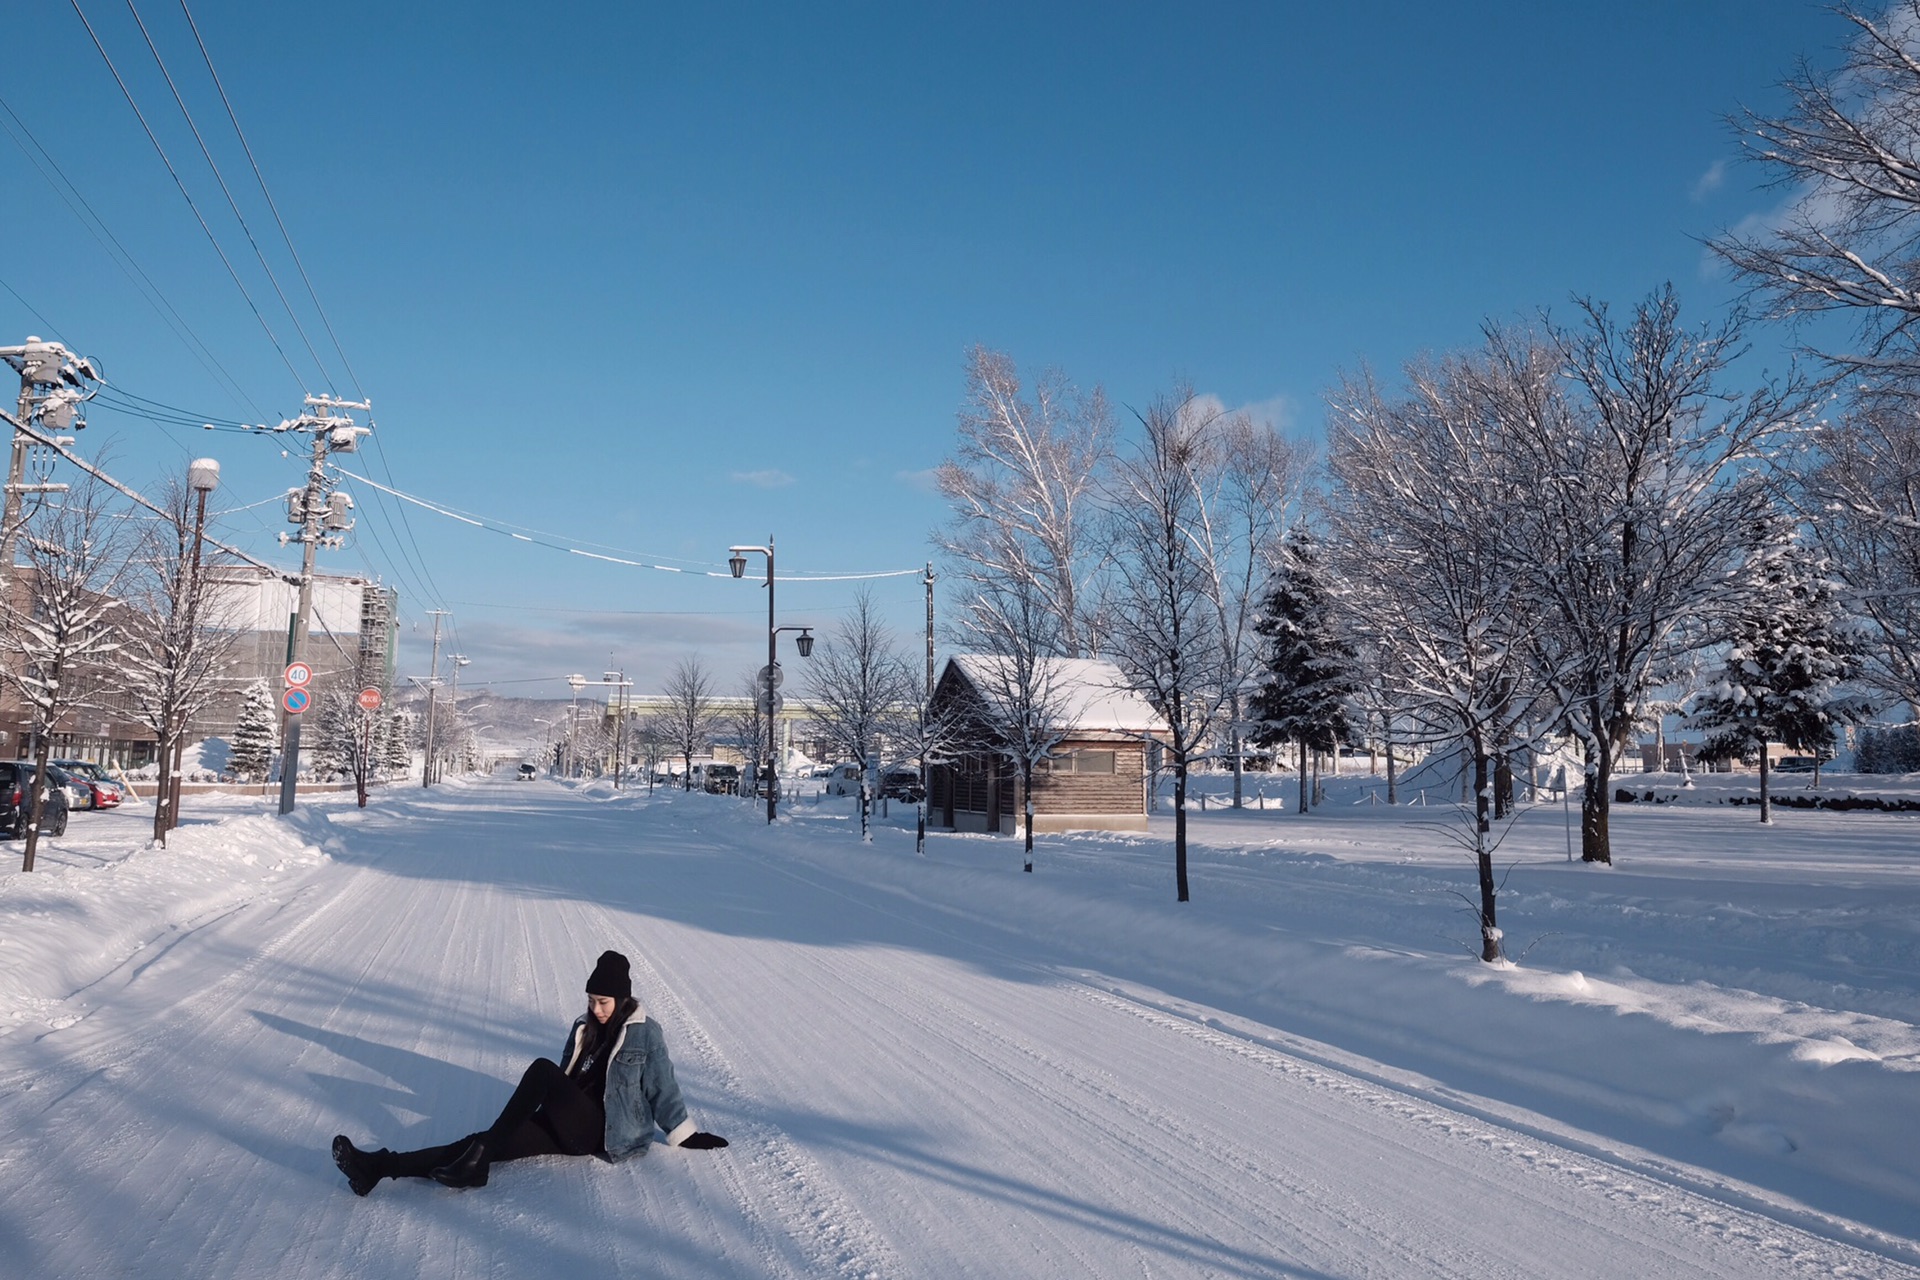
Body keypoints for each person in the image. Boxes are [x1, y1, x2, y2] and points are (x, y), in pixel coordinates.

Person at [331, 950, 727, 1195]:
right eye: (591, 1000)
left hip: (602, 1133)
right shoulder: (584, 1027)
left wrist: (686, 1135)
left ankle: (477, 1160)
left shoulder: (644, 1034)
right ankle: (379, 1168)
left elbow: (663, 1088)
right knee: (478, 1143)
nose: (597, 1008)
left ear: (622, 998)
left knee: (540, 1071)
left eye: (604, 1001)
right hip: (569, 1120)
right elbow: (566, 1077)